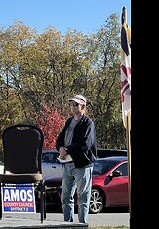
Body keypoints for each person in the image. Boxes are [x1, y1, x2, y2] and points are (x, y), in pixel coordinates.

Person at [55, 94, 97, 224]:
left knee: (83, 197)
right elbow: (60, 138)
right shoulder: (68, 121)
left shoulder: (88, 123)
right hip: (67, 165)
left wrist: (68, 150)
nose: (72, 107)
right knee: (66, 197)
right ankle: (67, 225)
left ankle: (82, 224)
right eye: (71, 104)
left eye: (76, 104)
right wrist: (61, 147)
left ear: (83, 106)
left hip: (82, 165)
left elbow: (85, 144)